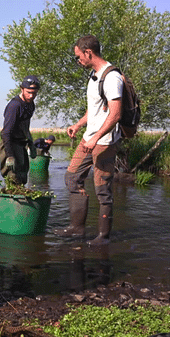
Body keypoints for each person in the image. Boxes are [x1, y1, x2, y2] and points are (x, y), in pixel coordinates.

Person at [53, 35, 123, 245]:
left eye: (78, 57)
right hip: (89, 138)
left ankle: (103, 237)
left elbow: (116, 114)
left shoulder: (111, 77)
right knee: (72, 178)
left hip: (105, 142)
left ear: (88, 53)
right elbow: (94, 110)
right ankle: (77, 228)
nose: (78, 61)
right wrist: (78, 124)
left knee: (102, 189)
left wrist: (97, 138)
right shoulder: (94, 76)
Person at [0, 75, 40, 185]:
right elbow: (6, 132)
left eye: (34, 93)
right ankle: (10, 201)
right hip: (9, 144)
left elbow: (25, 127)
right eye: (28, 92)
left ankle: (20, 200)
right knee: (13, 178)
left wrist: (31, 143)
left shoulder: (30, 105)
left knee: (22, 177)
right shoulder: (15, 106)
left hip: (21, 145)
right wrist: (10, 155)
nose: (31, 96)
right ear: (22, 89)